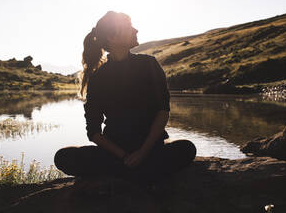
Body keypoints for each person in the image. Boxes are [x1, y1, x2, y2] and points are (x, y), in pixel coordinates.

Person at [54, 11, 196, 183]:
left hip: (150, 149)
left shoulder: (149, 64)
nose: (135, 30)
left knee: (187, 148)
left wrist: (141, 152)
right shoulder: (99, 78)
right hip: (116, 153)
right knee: (63, 156)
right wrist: (125, 156)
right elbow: (94, 131)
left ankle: (123, 174)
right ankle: (145, 174)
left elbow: (163, 111)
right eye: (129, 27)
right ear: (112, 37)